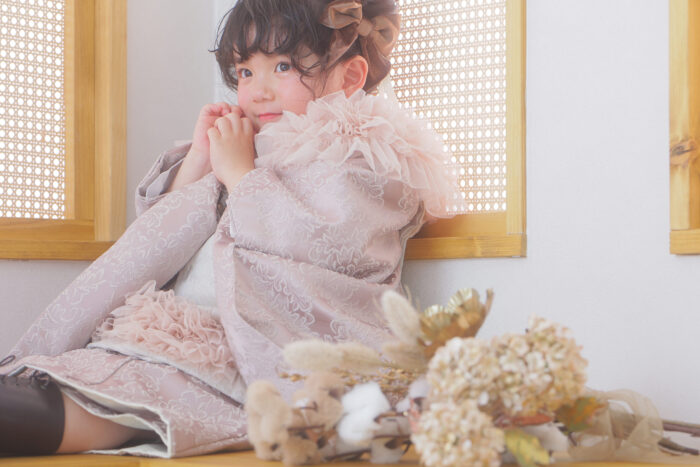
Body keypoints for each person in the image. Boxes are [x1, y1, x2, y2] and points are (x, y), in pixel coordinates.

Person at [0, 0, 458, 458]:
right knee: (76, 379)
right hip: (168, 337)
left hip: (244, 354)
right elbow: (157, 240)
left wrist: (241, 176)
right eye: (245, 72)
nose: (257, 91)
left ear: (350, 76)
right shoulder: (248, 148)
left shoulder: (364, 156)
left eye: (282, 66)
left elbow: (331, 246)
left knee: (112, 404)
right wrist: (202, 159)